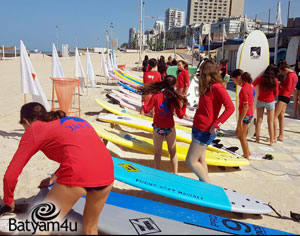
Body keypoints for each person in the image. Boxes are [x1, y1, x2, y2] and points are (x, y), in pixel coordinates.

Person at [1, 102, 114, 235]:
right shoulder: (74, 120)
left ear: (25, 121)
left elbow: (10, 175)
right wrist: (53, 178)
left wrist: (9, 202)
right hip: (108, 172)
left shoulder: (34, 129)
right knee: (90, 229)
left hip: (79, 174)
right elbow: (79, 153)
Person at [185, 60, 234, 183]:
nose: (199, 74)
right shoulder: (207, 86)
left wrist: (217, 123)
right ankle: (204, 186)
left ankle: (209, 187)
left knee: (191, 161)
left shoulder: (217, 87)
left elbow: (230, 107)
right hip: (198, 126)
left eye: (201, 71)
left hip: (205, 129)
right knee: (201, 160)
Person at [138, 75, 187, 174]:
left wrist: (143, 101)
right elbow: (181, 116)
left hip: (158, 128)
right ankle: (175, 174)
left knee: (157, 153)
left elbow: (146, 110)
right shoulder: (175, 98)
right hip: (169, 128)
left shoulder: (156, 96)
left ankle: (156, 173)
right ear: (175, 85)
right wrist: (184, 103)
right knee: (173, 153)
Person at [252, 65, 279, 145]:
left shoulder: (260, 79)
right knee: (270, 122)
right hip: (270, 101)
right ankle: (271, 141)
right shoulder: (275, 80)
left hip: (260, 100)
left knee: (259, 120)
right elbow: (276, 93)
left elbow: (252, 85)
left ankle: (257, 138)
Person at [232, 69, 255, 160]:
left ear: (238, 78)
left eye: (234, 80)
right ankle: (247, 151)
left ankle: (246, 155)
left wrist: (240, 120)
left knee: (242, 136)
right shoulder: (250, 86)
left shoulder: (245, 89)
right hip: (248, 113)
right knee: (239, 134)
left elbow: (245, 106)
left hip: (246, 114)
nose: (234, 83)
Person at [274, 61, 298, 141]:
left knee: (274, 116)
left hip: (284, 96)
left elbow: (288, 88)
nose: (281, 73)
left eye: (281, 71)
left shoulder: (290, 76)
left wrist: (280, 84)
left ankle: (273, 136)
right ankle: (280, 135)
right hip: (286, 96)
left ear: (285, 70)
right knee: (281, 116)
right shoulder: (294, 75)